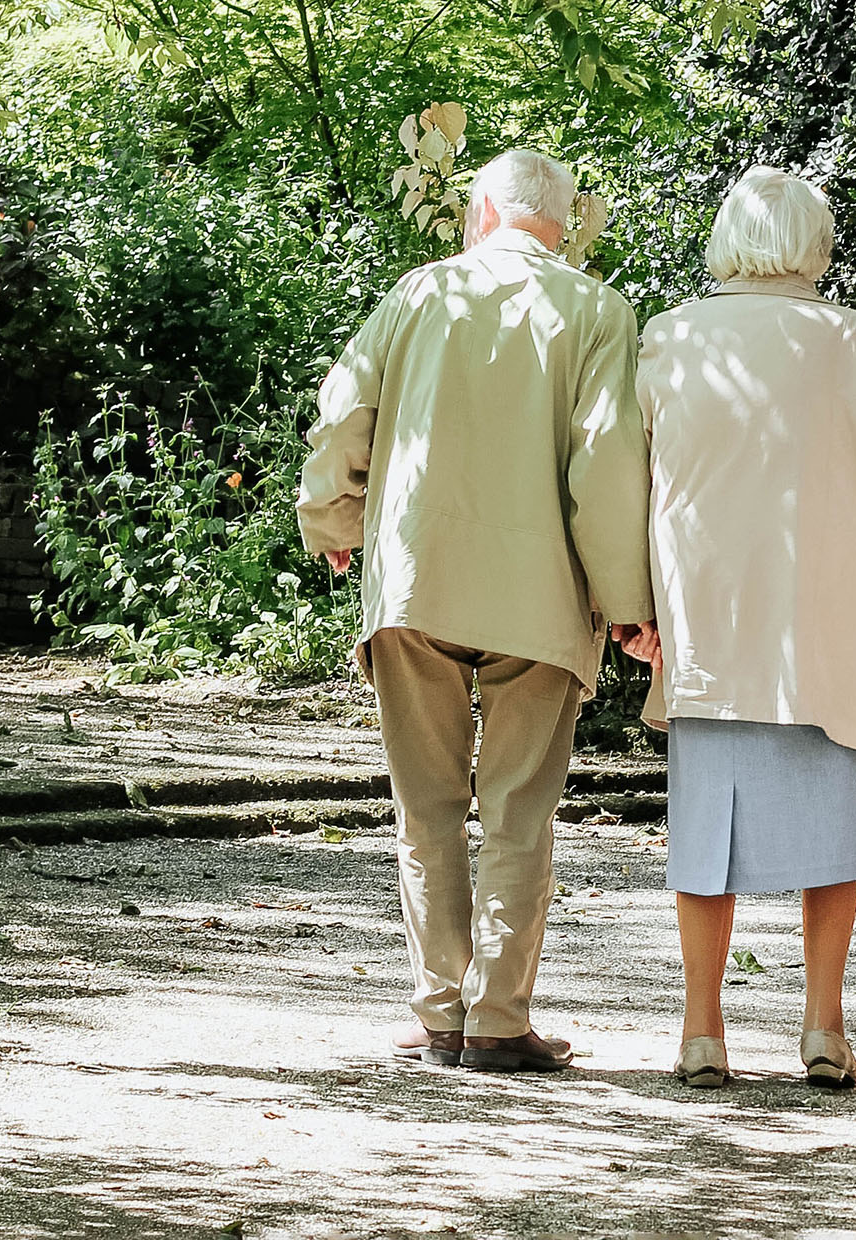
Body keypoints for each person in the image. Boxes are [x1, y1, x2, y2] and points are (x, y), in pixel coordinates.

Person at [297, 149, 656, 1074]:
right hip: (539, 595)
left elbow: (345, 418)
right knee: (518, 810)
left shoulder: (417, 294)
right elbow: (607, 467)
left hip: (418, 581)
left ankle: (438, 1013)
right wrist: (628, 604)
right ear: (565, 223)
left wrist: (331, 517)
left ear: (482, 211)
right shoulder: (598, 311)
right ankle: (498, 1020)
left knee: (426, 807)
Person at [623, 166, 856, 1089]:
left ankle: (701, 1031)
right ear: (817, 244)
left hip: (710, 623)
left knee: (702, 836)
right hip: (825, 626)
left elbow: (628, 488)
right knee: (830, 835)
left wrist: (633, 607)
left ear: (728, 239)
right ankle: (822, 1027)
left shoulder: (670, 338)